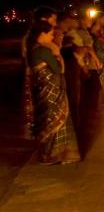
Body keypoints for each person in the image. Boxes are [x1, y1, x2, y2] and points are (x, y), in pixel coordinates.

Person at [26, 21, 81, 165]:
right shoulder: (43, 51)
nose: (52, 37)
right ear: (42, 34)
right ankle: (54, 155)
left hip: (43, 91)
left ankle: (47, 154)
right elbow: (58, 69)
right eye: (50, 34)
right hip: (52, 92)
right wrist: (57, 52)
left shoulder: (33, 48)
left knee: (47, 121)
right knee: (56, 119)